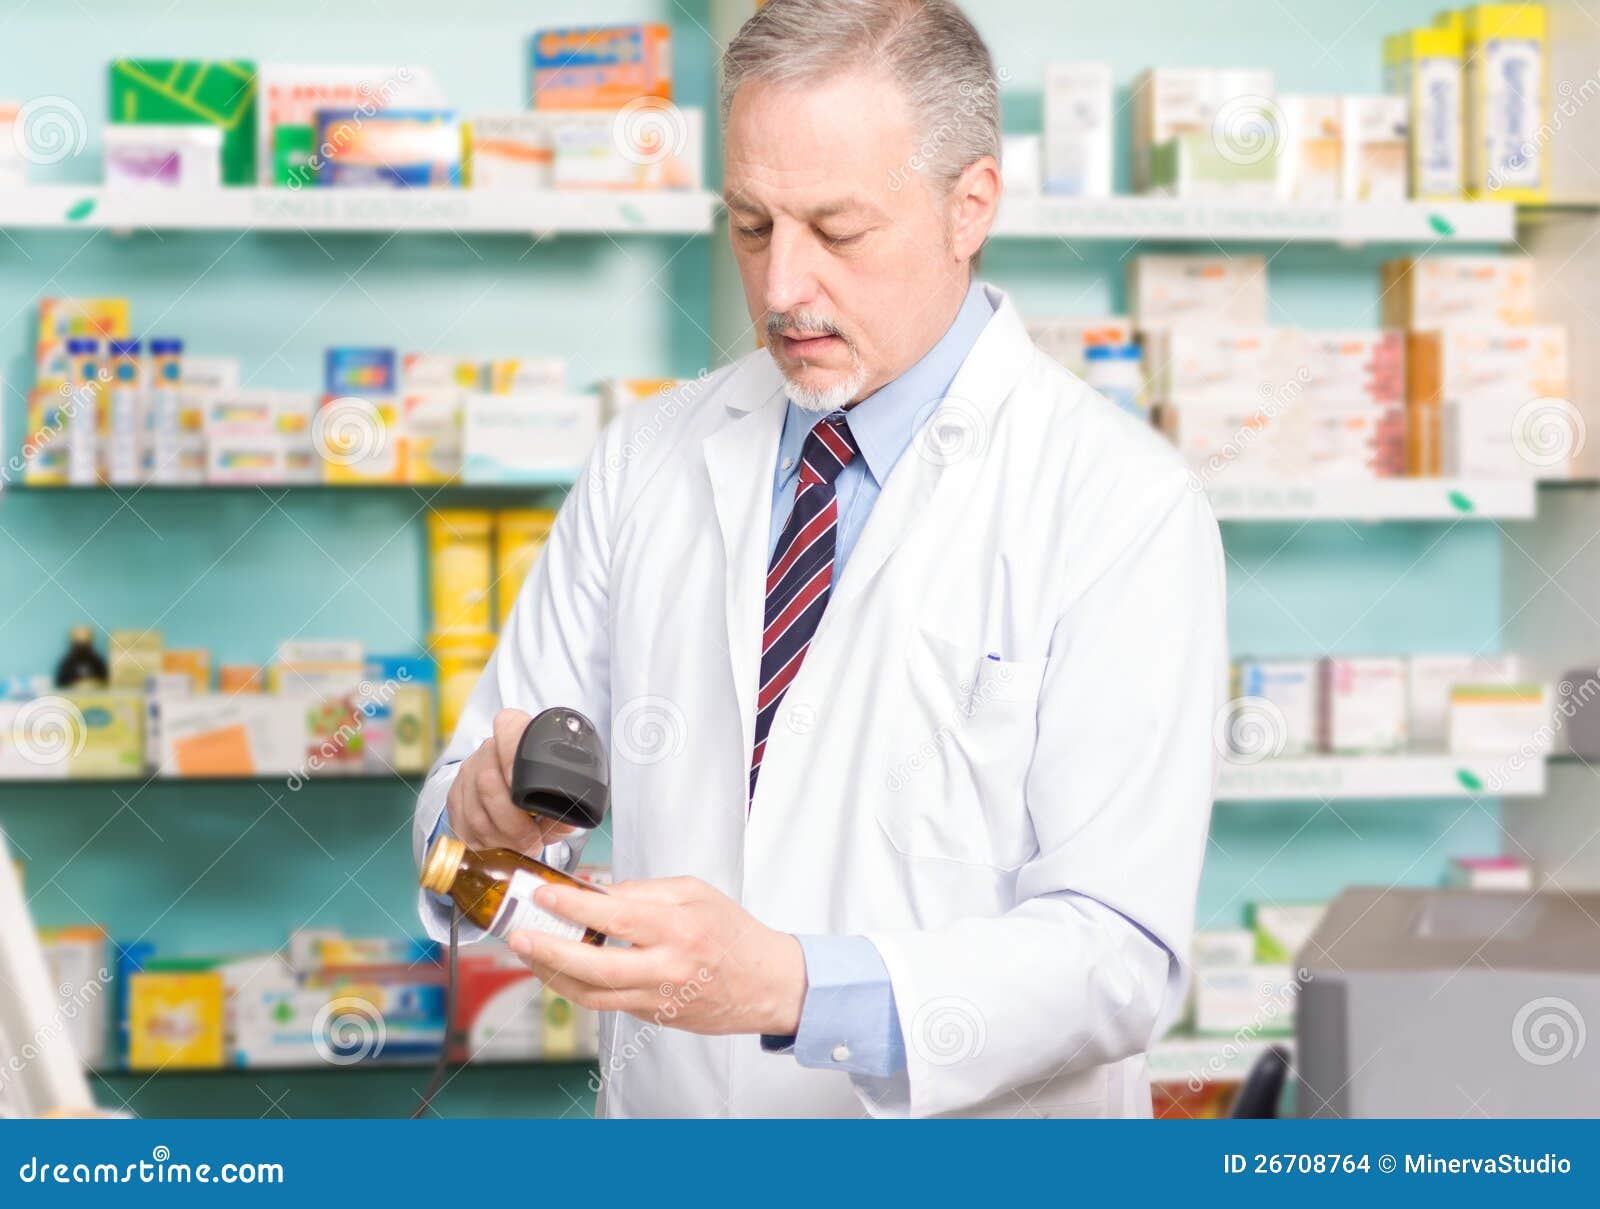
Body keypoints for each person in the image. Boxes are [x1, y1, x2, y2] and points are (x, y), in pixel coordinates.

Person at [414, 0, 1226, 1118]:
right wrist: (481, 815)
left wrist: (791, 989)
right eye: (751, 226)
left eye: (836, 231)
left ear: (968, 208)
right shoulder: (651, 457)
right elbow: (458, 825)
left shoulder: (1115, 502)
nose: (783, 285)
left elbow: (1117, 955)